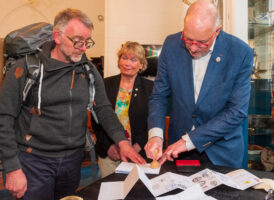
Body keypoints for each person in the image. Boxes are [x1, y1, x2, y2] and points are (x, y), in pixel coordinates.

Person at [0, 8, 145, 200]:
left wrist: (122, 142)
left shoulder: (89, 70)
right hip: (33, 161)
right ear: (57, 36)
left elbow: (103, 109)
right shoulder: (25, 69)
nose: (84, 48)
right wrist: (12, 168)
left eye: (87, 42)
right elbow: (4, 118)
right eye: (78, 41)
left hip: (72, 161)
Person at [144, 1, 254, 168]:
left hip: (222, 151)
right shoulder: (171, 45)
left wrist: (189, 140)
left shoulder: (240, 53)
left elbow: (236, 111)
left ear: (217, 31)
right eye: (188, 40)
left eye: (201, 42)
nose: (193, 49)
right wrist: (156, 134)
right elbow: (159, 95)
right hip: (178, 151)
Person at [92, 41, 153, 178]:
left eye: (133, 60)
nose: (127, 63)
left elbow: (152, 121)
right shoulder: (104, 84)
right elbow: (96, 119)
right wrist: (108, 146)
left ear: (141, 65)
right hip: (110, 153)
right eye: (124, 58)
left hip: (138, 152)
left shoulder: (151, 88)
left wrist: (138, 146)